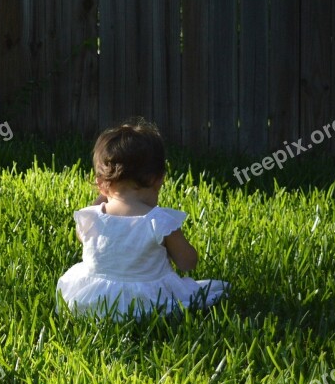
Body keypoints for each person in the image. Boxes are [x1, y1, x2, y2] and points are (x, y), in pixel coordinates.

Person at [56, 118, 228, 321]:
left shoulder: (90, 217)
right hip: (148, 304)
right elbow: (188, 263)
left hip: (93, 302)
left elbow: (83, 239)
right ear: (159, 179)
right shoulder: (159, 221)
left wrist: (102, 198)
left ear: (101, 185)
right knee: (210, 291)